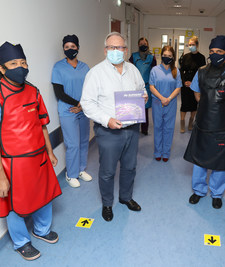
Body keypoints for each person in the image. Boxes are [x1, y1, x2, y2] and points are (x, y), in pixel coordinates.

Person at [0, 42, 62, 260]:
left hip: (40, 157)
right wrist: (1, 177)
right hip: (14, 164)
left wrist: (50, 152)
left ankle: (42, 230)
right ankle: (21, 242)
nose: (20, 67)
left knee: (45, 195)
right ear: (2, 69)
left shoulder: (34, 91)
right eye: (13, 63)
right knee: (15, 205)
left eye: (23, 62)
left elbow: (42, 125)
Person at [81, 32, 146, 222]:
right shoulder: (96, 73)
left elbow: (141, 88)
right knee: (108, 171)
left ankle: (126, 197)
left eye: (120, 47)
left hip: (132, 129)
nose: (116, 51)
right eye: (112, 47)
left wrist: (143, 96)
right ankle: (107, 204)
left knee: (130, 167)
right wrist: (106, 119)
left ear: (126, 50)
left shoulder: (133, 70)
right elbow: (87, 103)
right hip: (108, 131)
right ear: (105, 50)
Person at [184, 35, 225, 209]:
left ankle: (217, 193)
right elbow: (197, 93)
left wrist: (224, 111)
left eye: (219, 52)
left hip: (223, 127)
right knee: (199, 160)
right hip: (203, 123)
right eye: (212, 51)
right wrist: (207, 106)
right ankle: (198, 191)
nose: (214, 55)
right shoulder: (201, 72)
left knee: (220, 164)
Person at [51, 34, 92, 188]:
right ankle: (71, 174)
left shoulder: (85, 67)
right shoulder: (58, 67)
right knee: (72, 143)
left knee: (83, 141)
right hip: (67, 111)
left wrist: (82, 105)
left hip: (83, 110)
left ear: (78, 48)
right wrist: (77, 103)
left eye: (73, 47)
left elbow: (90, 88)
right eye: (67, 47)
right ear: (63, 49)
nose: (70, 49)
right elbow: (59, 93)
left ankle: (81, 170)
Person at [149, 46, 182, 162]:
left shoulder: (176, 71)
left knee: (168, 128)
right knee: (158, 127)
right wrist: (162, 98)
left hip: (171, 103)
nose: (166, 58)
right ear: (161, 56)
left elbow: (178, 87)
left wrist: (168, 98)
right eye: (165, 55)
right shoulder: (155, 70)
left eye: (169, 56)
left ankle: (166, 152)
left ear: (173, 57)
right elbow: (151, 86)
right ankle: (158, 152)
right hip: (157, 102)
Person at [129, 37, 157, 135]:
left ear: (148, 45)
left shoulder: (151, 57)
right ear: (138, 45)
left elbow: (154, 72)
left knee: (145, 109)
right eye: (141, 44)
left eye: (144, 43)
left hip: (147, 86)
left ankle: (144, 130)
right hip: (135, 86)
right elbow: (129, 70)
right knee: (136, 109)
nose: (143, 45)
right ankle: (135, 129)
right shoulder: (133, 56)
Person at [179, 36, 206, 133]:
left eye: (193, 45)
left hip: (195, 85)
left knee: (194, 105)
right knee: (184, 105)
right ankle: (182, 123)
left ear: (197, 45)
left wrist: (193, 83)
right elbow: (181, 70)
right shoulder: (185, 56)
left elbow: (202, 72)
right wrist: (184, 82)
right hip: (185, 85)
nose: (191, 46)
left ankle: (191, 122)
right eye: (189, 45)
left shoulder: (201, 58)